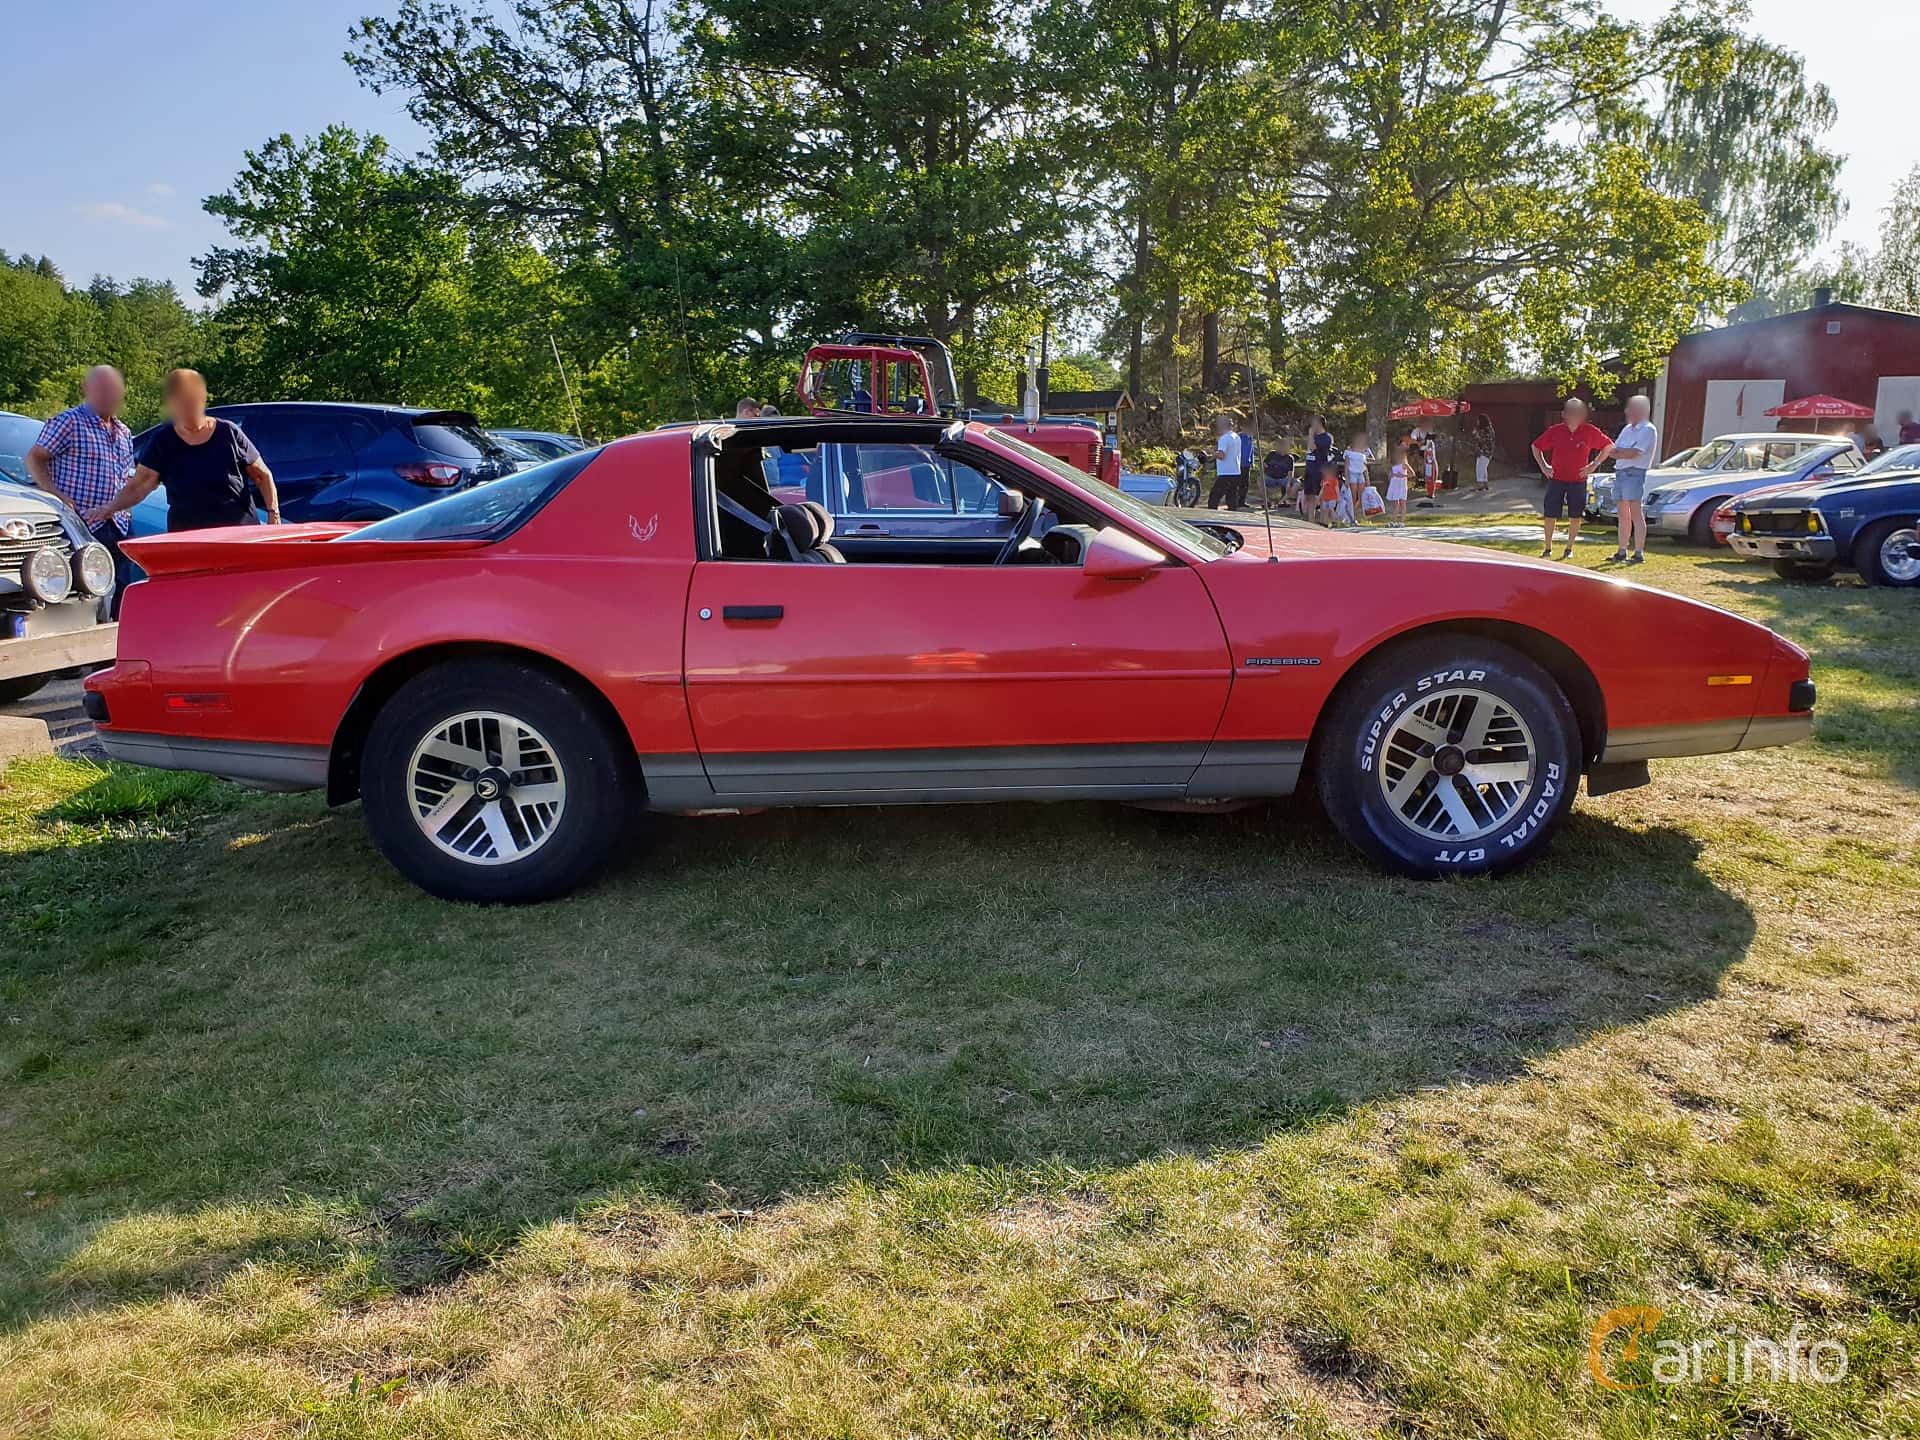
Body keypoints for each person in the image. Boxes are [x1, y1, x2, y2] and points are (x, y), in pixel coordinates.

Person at [87, 370, 280, 536]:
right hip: (187, 537)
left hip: (237, 533)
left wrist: (273, 514)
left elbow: (262, 476)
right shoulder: (163, 440)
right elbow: (139, 485)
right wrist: (110, 508)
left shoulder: (228, 433)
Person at [24, 364, 137, 617]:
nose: (110, 395)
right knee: (87, 597)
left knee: (123, 594)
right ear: (87, 389)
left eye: (114, 390)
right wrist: (56, 496)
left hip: (118, 526)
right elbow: (34, 459)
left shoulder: (123, 431)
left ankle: (118, 638)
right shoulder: (70, 422)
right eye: (103, 389)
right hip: (82, 524)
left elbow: (124, 477)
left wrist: (125, 509)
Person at [1530, 397, 1613, 560]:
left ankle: (1569, 548)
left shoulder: (1589, 431)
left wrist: (1593, 465)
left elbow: (1608, 446)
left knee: (1575, 515)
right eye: (1571, 412)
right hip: (1557, 479)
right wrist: (1544, 466)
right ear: (1564, 414)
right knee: (1550, 514)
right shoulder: (1556, 431)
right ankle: (1548, 548)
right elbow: (1536, 446)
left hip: (1578, 481)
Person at [1607, 394, 1657, 565]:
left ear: (1642, 410)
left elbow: (1634, 453)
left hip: (1635, 473)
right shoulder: (1627, 429)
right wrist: (1621, 452)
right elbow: (1612, 450)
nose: (1628, 411)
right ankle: (1622, 551)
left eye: (1632, 408)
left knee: (1636, 512)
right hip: (1620, 472)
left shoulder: (1648, 429)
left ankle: (1638, 553)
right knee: (1622, 514)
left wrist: (1621, 452)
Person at [1207, 414, 1244, 509]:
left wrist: (1211, 452)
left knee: (1214, 497)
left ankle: (1211, 514)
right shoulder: (1236, 437)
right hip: (1236, 471)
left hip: (1225, 473)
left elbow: (1222, 455)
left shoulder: (1224, 438)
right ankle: (1233, 514)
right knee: (1232, 497)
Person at [1342, 432, 1370, 526]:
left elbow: (1365, 466)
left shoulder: (1363, 452)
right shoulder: (1348, 452)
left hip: (1360, 474)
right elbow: (1346, 466)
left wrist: (1367, 479)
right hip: (1352, 474)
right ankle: (1351, 518)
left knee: (1361, 497)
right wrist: (1347, 479)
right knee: (1353, 497)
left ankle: (1355, 514)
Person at [1386, 440, 1412, 524]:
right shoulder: (1394, 464)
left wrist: (1403, 475)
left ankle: (1402, 522)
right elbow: (1391, 473)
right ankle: (1394, 521)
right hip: (1395, 484)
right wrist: (1391, 475)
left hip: (1402, 484)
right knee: (1396, 503)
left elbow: (1412, 474)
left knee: (1402, 502)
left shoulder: (1405, 463)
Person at [1469, 413, 1496, 493]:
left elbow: (1482, 440)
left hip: (1483, 451)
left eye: (1478, 420)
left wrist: (1475, 434)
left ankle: (1480, 484)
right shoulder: (1490, 429)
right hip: (1489, 451)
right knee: (1483, 467)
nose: (1477, 422)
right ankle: (1485, 483)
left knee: (1479, 468)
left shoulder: (1484, 430)